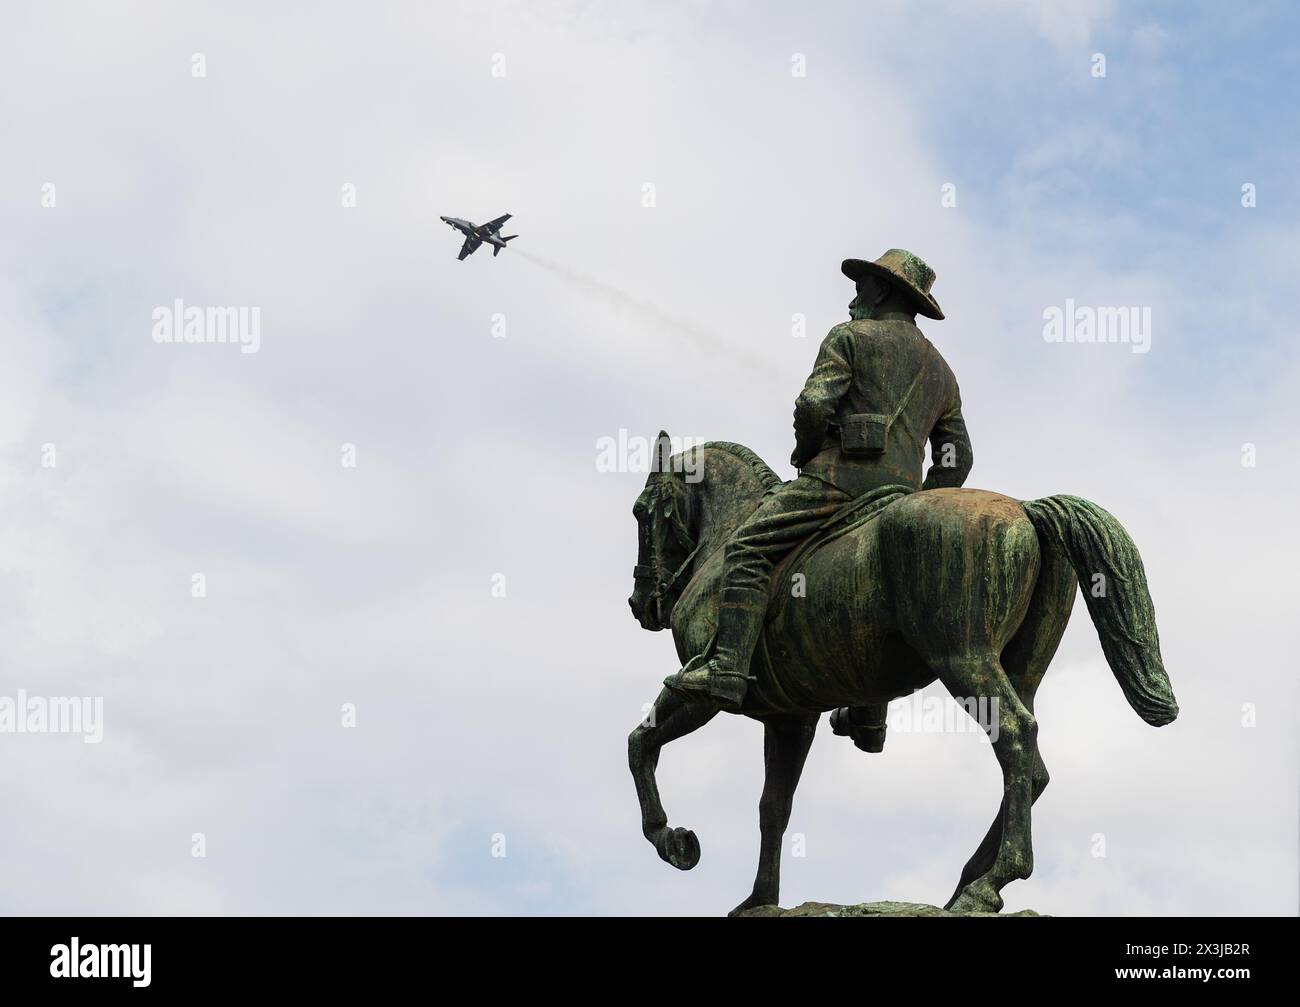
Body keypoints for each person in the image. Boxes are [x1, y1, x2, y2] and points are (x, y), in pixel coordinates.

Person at [664, 249, 973, 711]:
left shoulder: (849, 337)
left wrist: (808, 450)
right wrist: (923, 499)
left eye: (863, 285)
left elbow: (812, 405)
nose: (855, 294)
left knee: (746, 550)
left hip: (836, 484)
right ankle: (869, 719)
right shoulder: (942, 372)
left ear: (884, 290)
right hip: (898, 497)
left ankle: (727, 667)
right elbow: (957, 457)